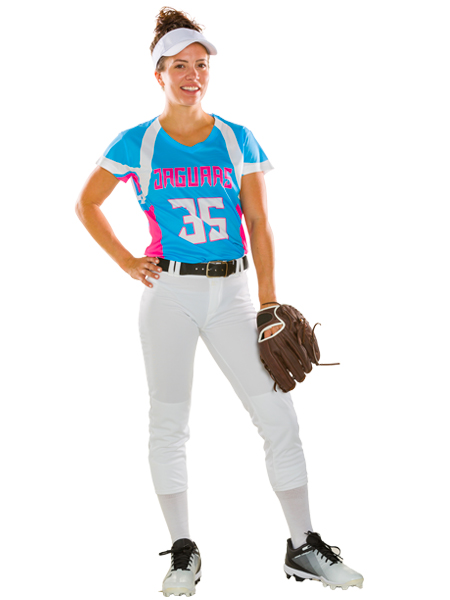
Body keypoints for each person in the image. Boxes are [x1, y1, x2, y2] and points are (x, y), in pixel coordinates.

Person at [75, 6, 364, 597]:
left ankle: (303, 545)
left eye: (201, 65)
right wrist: (128, 260)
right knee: (169, 423)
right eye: (180, 65)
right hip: (170, 291)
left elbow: (258, 222)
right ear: (159, 72)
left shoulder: (236, 136)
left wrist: (268, 305)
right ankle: (183, 549)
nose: (192, 75)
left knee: (278, 416)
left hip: (232, 291)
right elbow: (87, 203)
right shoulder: (138, 142)